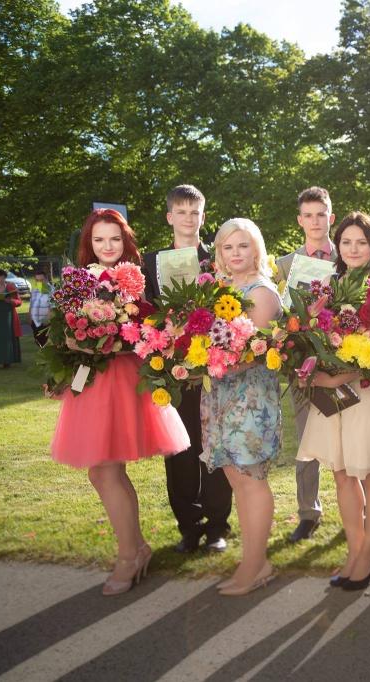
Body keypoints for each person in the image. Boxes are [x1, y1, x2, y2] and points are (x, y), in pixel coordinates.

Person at [50, 209, 190, 595]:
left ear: (124, 241)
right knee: (104, 473)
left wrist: (110, 335)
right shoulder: (80, 280)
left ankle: (130, 556)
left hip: (121, 380)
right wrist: (73, 344)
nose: (107, 246)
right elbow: (63, 329)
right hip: (92, 380)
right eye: (99, 240)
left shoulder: (133, 277)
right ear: (89, 243)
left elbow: (144, 326)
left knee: (105, 472)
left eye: (114, 238)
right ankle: (136, 549)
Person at [297, 212, 370, 591]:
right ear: (338, 246)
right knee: (342, 473)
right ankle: (356, 550)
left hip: (365, 390)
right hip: (332, 393)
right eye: (346, 242)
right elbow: (310, 334)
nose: (353, 249)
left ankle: (368, 550)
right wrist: (312, 364)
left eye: (361, 242)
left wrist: (336, 376)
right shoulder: (326, 287)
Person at [142, 185, 232, 555]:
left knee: (213, 447)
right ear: (169, 217)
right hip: (171, 370)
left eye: (195, 212)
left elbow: (229, 309)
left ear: (203, 217)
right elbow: (145, 313)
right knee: (179, 450)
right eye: (181, 212)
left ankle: (217, 527)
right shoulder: (152, 261)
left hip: (211, 370)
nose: (188, 219)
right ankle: (188, 527)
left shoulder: (217, 260)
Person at [201, 218, 283, 596]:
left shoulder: (261, 292)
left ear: (256, 249)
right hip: (219, 394)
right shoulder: (219, 289)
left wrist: (202, 359)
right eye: (228, 247)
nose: (235, 254)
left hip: (250, 397)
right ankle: (254, 561)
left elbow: (252, 352)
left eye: (243, 246)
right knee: (235, 478)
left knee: (251, 479)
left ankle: (255, 566)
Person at [275, 186, 337, 543]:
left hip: (343, 362)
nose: (315, 222)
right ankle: (308, 512)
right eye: (308, 215)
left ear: (331, 217)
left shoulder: (347, 256)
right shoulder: (285, 264)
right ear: (300, 220)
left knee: (349, 439)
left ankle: (357, 508)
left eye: (321, 214)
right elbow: (277, 316)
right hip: (301, 365)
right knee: (306, 441)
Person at [0, 268, 22, 367]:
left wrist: (11, 301)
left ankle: (7, 360)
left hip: (8, 318)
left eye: (2, 278)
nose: (0, 280)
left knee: (7, 338)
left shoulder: (10, 286)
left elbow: (19, 302)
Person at [28, 268, 54, 348]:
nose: (39, 282)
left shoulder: (52, 290)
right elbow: (32, 304)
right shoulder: (34, 290)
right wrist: (30, 317)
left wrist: (49, 320)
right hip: (35, 323)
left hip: (46, 323)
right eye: (37, 280)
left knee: (47, 345)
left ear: (46, 279)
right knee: (39, 343)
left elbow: (53, 307)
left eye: (41, 280)